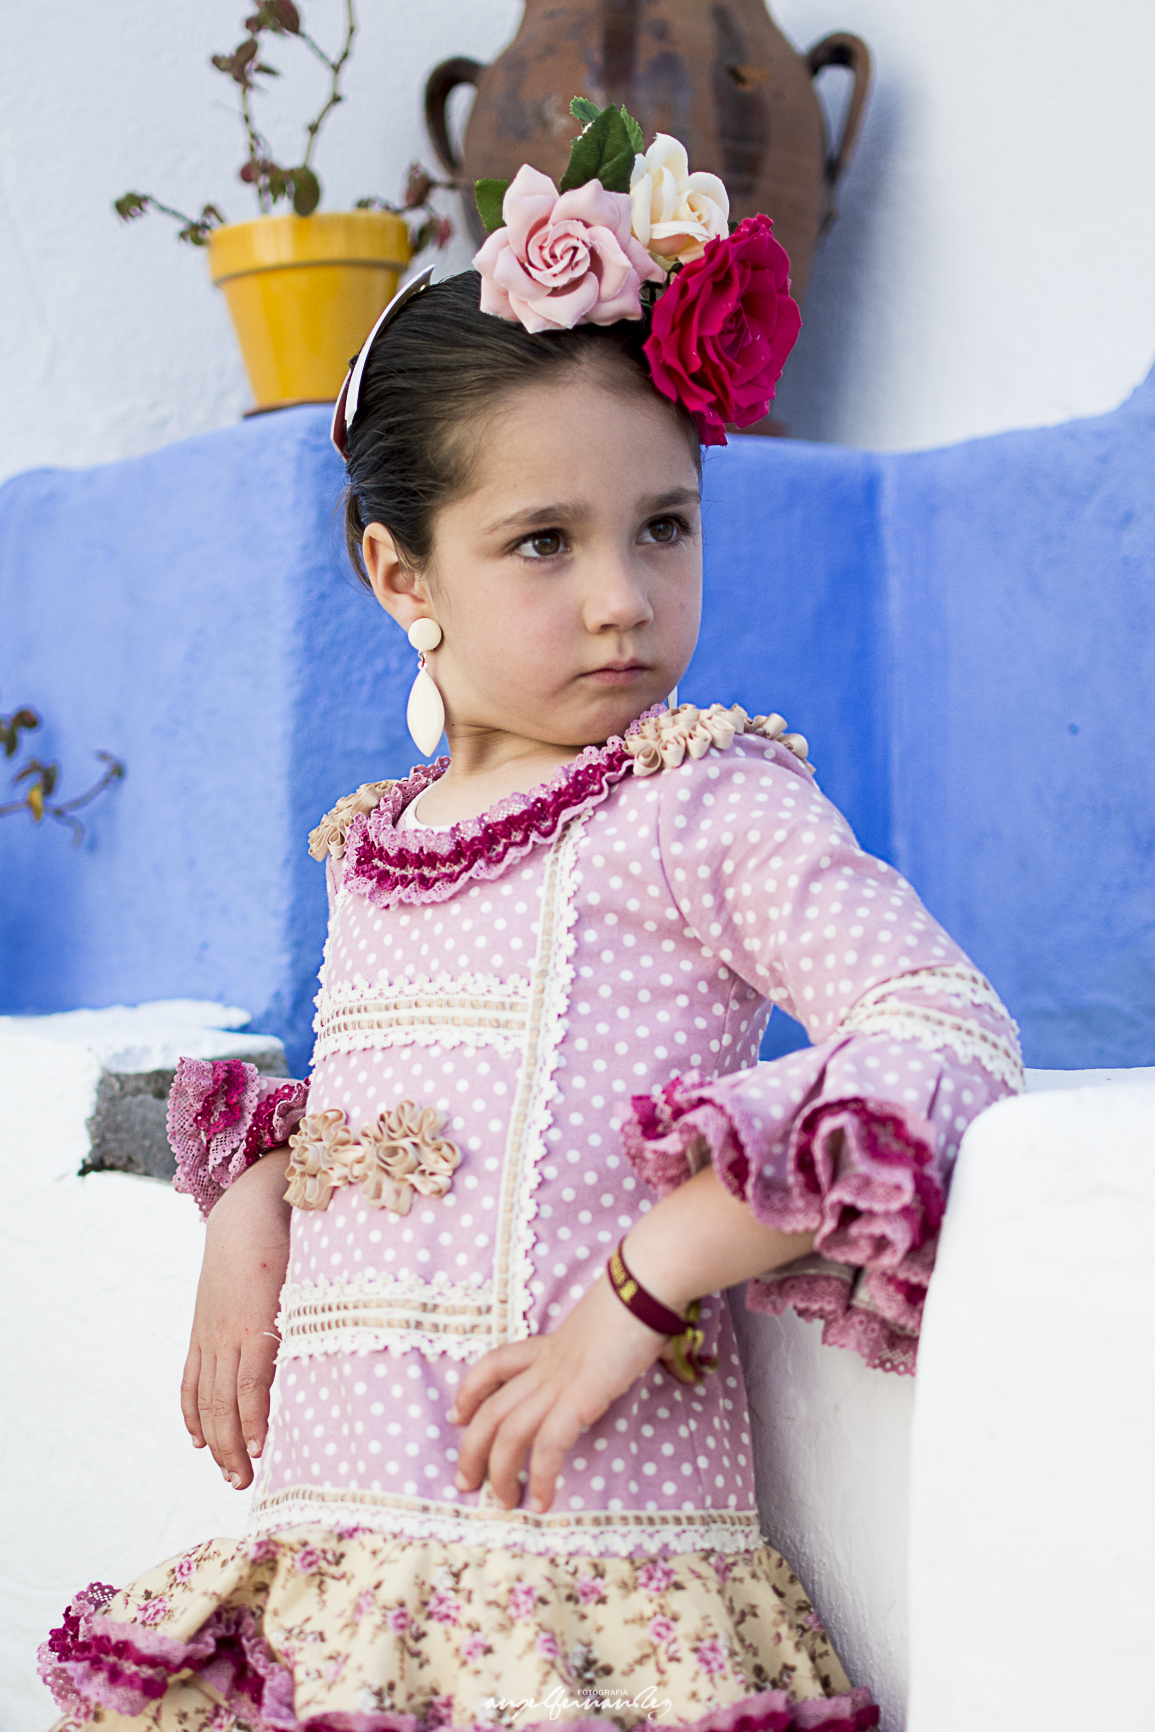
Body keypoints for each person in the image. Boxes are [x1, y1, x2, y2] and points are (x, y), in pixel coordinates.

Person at [39, 114, 1021, 1732]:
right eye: (544, 543)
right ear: (401, 574)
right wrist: (259, 1187)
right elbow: (420, 1118)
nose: (623, 596)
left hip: (590, 1602)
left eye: (664, 525)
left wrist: (647, 1280)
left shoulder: (705, 802)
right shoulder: (378, 846)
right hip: (349, 1593)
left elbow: (941, 1027)